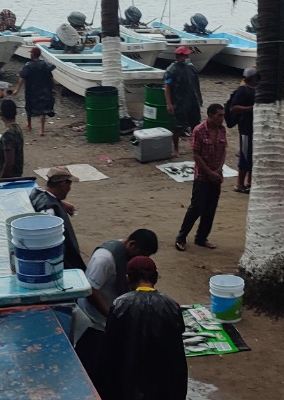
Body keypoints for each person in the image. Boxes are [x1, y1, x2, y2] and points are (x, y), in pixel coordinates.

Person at [73, 229, 160, 390]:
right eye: (141, 254)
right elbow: (90, 290)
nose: (141, 259)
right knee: (91, 362)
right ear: (131, 244)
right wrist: (111, 315)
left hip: (110, 317)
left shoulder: (126, 253)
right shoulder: (104, 259)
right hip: (93, 320)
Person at [99, 256, 188, 400]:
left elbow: (109, 351)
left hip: (127, 383)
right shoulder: (171, 305)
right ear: (156, 277)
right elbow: (176, 355)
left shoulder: (120, 304)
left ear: (128, 278)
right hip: (162, 384)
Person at [174, 103, 227, 252]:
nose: (222, 119)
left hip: (216, 175)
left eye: (223, 115)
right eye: (219, 115)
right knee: (196, 207)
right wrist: (210, 172)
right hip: (202, 176)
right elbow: (196, 155)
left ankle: (201, 238)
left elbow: (223, 151)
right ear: (210, 115)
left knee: (210, 209)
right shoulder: (199, 131)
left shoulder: (222, 130)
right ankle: (181, 237)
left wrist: (218, 170)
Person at [29, 166, 85, 271]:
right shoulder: (49, 211)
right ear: (63, 185)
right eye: (69, 185)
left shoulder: (36, 192)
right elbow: (50, 242)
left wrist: (59, 203)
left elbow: (45, 193)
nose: (69, 189)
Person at [164, 45, 202, 156]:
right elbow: (167, 86)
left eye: (187, 55)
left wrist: (199, 98)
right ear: (179, 56)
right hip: (179, 102)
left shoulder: (191, 68)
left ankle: (195, 146)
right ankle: (176, 149)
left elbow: (196, 84)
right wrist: (169, 103)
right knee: (177, 127)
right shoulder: (172, 70)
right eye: (184, 55)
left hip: (192, 101)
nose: (186, 57)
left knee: (195, 124)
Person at [9, 46, 57, 136]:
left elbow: (22, 78)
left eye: (31, 52)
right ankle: (42, 130)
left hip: (31, 89)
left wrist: (17, 90)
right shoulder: (45, 64)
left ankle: (29, 125)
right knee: (43, 109)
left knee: (29, 106)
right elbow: (51, 78)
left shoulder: (28, 65)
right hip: (44, 89)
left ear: (33, 54)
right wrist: (53, 88)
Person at [228, 68, 258, 193]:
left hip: (254, 128)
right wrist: (251, 108)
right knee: (245, 157)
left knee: (253, 157)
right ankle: (240, 184)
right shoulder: (243, 91)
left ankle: (249, 182)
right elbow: (233, 108)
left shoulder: (255, 90)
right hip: (246, 129)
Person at [0, 99, 25, 179]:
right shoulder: (17, 129)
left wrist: (1, 179)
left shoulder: (8, 134)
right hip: (16, 175)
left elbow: (9, 162)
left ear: (2, 114)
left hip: (10, 177)